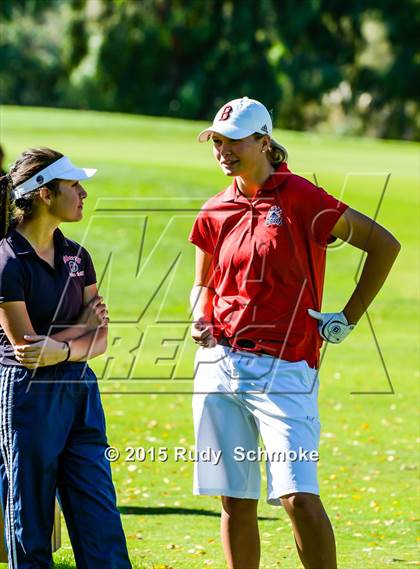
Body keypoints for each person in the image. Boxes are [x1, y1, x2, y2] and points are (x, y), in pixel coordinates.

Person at [189, 97, 401, 569]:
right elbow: (203, 284)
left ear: (264, 142)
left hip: (285, 371)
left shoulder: (303, 198)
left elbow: (384, 244)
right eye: (216, 141)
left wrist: (346, 317)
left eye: (234, 141)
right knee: (234, 500)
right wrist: (198, 315)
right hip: (218, 368)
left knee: (297, 497)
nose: (223, 150)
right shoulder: (215, 209)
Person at [0, 148, 131, 568]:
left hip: (80, 393)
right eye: (74, 185)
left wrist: (66, 347)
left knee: (99, 511)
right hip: (27, 398)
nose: (83, 192)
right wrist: (77, 332)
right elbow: (28, 349)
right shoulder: (5, 260)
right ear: (43, 194)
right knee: (30, 517)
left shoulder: (78, 256)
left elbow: (102, 335)